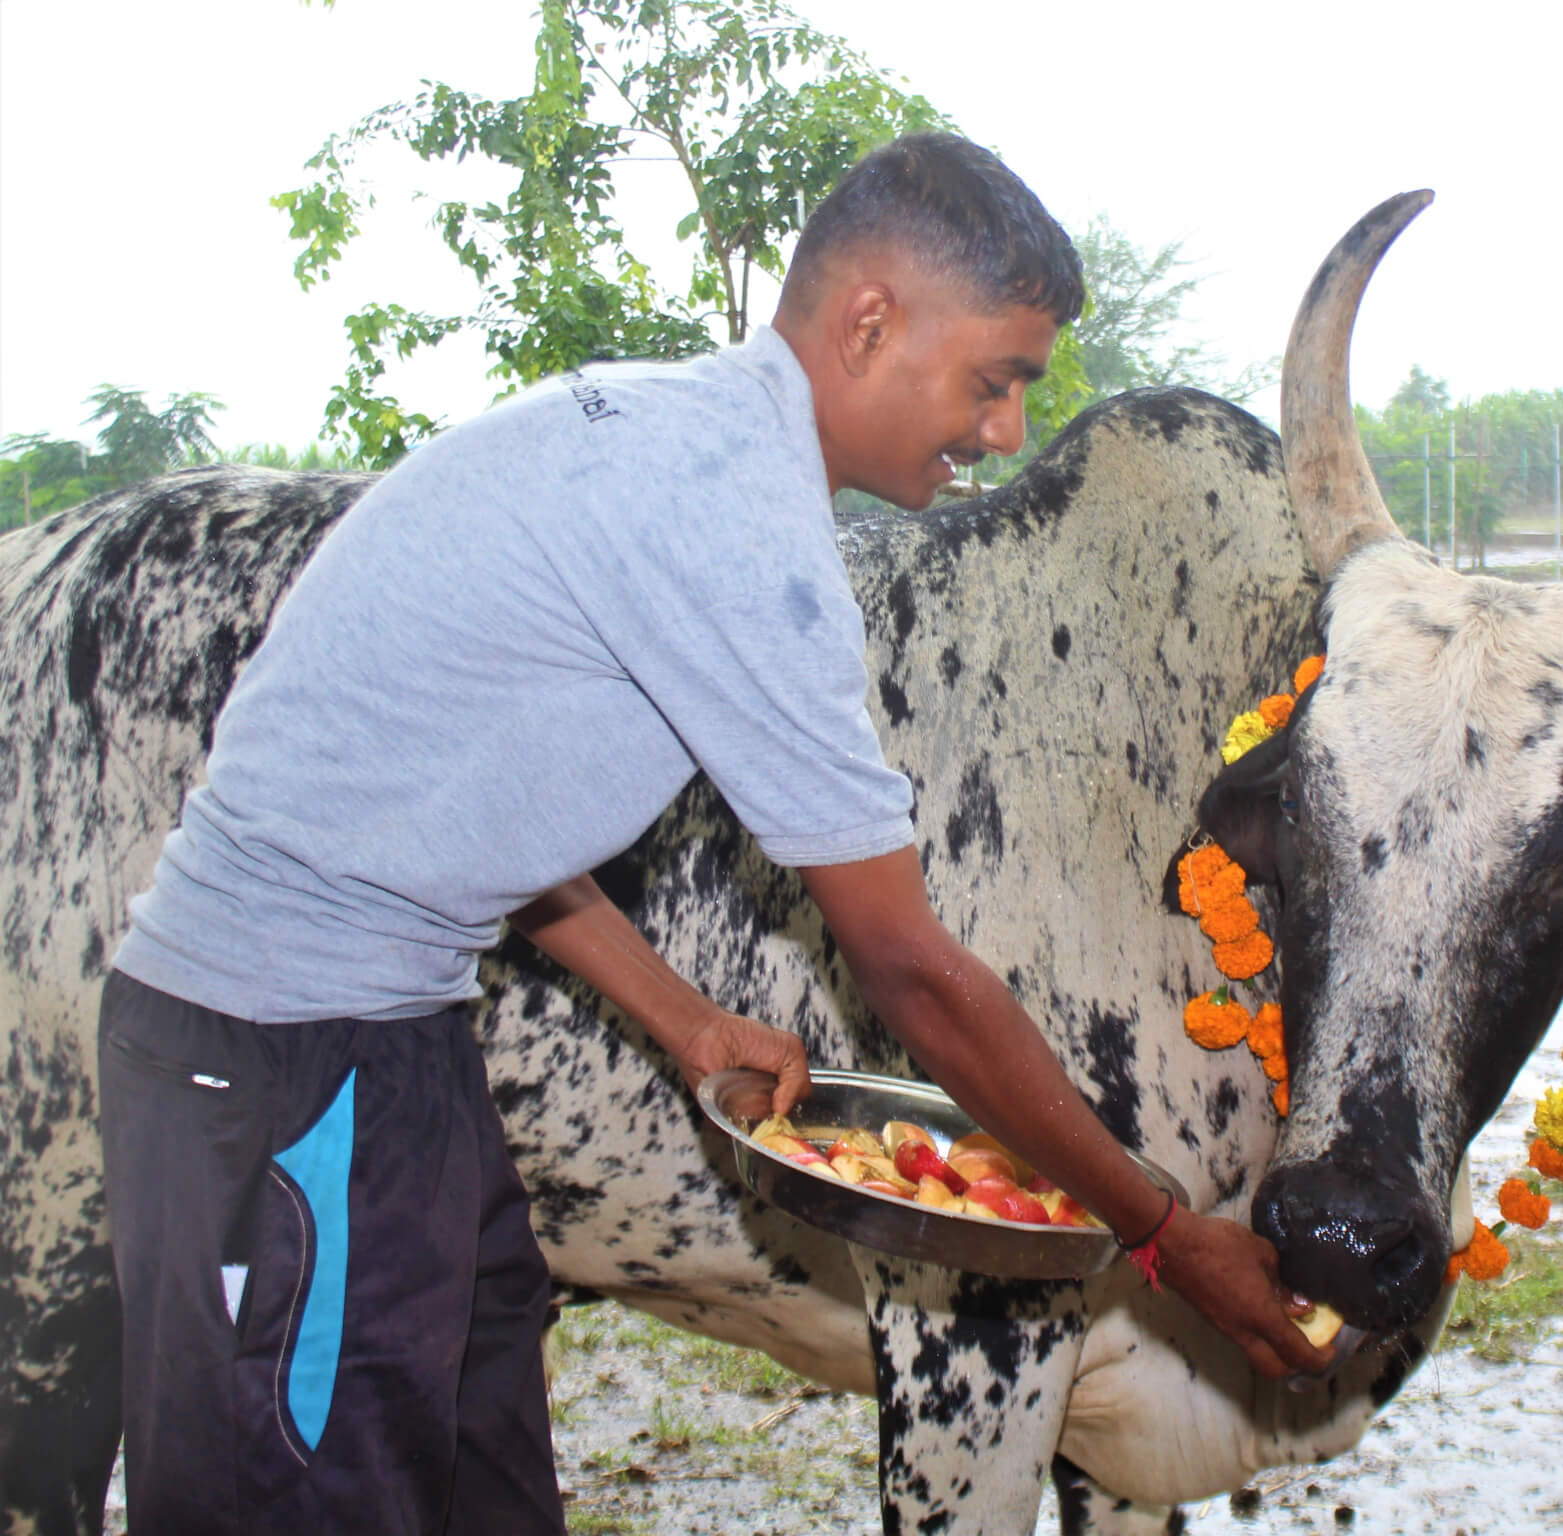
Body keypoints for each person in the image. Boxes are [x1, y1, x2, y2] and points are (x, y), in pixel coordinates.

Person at [98, 132, 1328, 1535]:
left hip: (402, 1041)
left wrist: (684, 1019)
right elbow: (912, 971)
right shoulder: (734, 524)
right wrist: (1166, 1235)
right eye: (994, 382)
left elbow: (474, 803)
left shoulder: (671, 434)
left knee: (474, 1481)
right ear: (869, 323)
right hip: (274, 1067)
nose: (1002, 433)